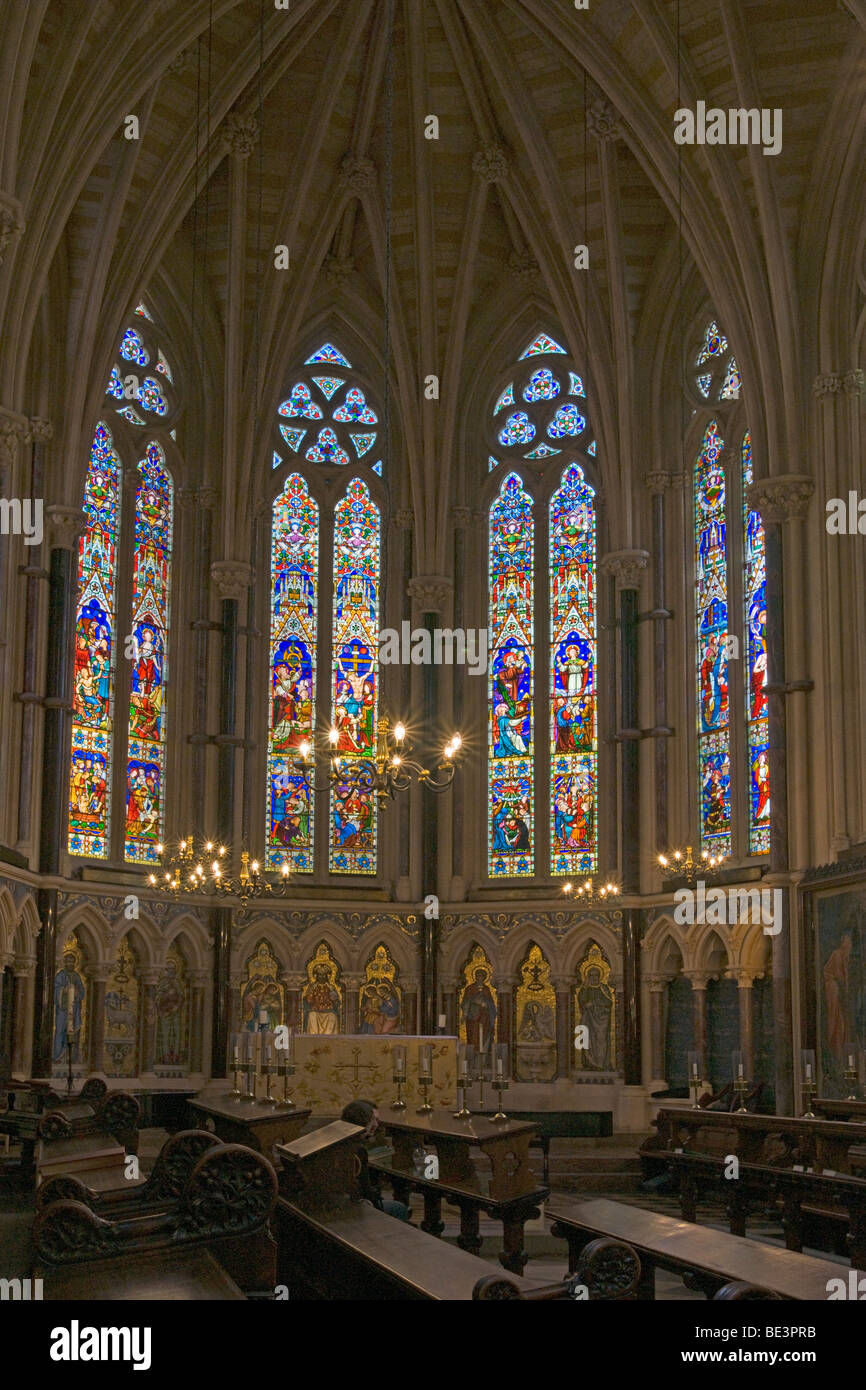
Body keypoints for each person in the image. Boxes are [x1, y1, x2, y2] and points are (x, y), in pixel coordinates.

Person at [341, 1100, 411, 1221]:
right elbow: (365, 1189)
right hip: (352, 1209)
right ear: (361, 1120)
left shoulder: (342, 1140)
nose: (376, 1125)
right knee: (399, 1208)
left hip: (344, 1203)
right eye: (373, 1120)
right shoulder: (357, 1149)